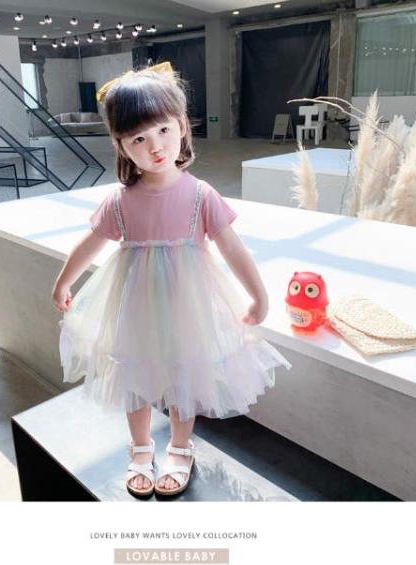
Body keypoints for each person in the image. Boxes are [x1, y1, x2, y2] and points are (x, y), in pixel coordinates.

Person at [51, 62, 291, 499]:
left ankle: (181, 447)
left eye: (162, 130)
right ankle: (140, 447)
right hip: (136, 308)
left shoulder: (200, 195)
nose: (155, 146)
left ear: (181, 125)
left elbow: (232, 248)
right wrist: (64, 282)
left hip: (187, 306)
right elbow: (91, 244)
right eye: (138, 139)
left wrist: (258, 294)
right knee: (134, 375)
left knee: (184, 374)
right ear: (121, 146)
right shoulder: (120, 201)